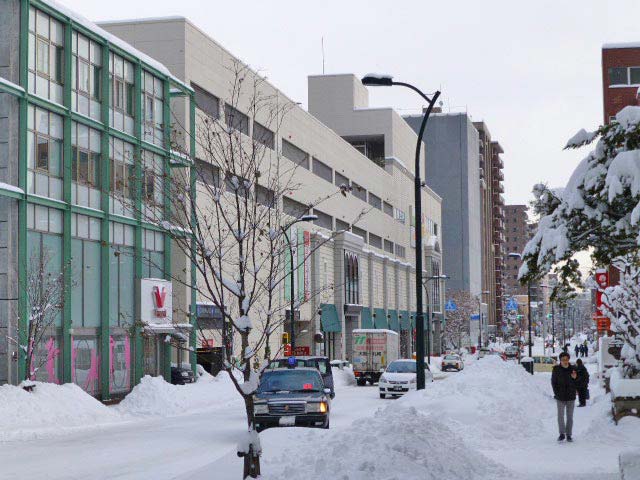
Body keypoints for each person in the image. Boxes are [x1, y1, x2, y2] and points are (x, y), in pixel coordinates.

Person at [551, 352, 578, 442]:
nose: (565, 361)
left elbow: (578, 382)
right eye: (563, 360)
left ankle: (569, 435)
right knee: (560, 416)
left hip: (571, 396)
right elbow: (553, 382)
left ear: (568, 360)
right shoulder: (556, 369)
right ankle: (562, 434)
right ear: (560, 360)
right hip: (560, 397)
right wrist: (556, 393)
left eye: (566, 359)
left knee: (570, 417)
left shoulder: (573, 369)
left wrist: (575, 378)